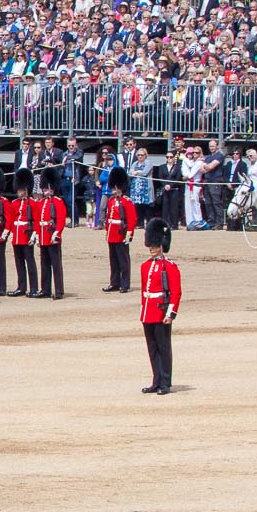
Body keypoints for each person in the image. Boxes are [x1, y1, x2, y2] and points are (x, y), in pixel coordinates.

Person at [138, 219, 180, 395]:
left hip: (161, 311)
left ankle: (165, 382)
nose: (152, 248)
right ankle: (156, 380)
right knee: (152, 348)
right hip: (148, 311)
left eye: (155, 245)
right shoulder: (145, 266)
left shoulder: (169, 266)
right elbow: (143, 291)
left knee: (163, 348)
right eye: (151, 246)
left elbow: (175, 292)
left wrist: (170, 313)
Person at [101, 166, 135, 293]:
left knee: (123, 260)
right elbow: (109, 217)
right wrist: (107, 231)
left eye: (115, 187)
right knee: (113, 260)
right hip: (112, 234)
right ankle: (114, 282)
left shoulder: (127, 201)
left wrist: (129, 234)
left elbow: (131, 219)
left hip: (121, 234)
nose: (113, 190)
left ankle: (125, 284)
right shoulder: (111, 201)